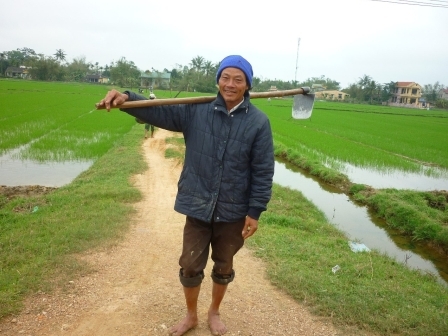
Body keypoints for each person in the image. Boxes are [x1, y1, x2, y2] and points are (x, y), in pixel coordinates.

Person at [97, 55, 274, 336]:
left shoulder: (258, 123)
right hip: (198, 205)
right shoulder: (197, 110)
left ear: (248, 85)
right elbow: (157, 112)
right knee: (190, 265)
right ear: (217, 79)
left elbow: (263, 170)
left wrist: (255, 211)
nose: (230, 84)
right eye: (225, 77)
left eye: (238, 79)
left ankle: (214, 312)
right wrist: (127, 98)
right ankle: (190, 316)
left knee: (224, 265)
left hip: (233, 209)